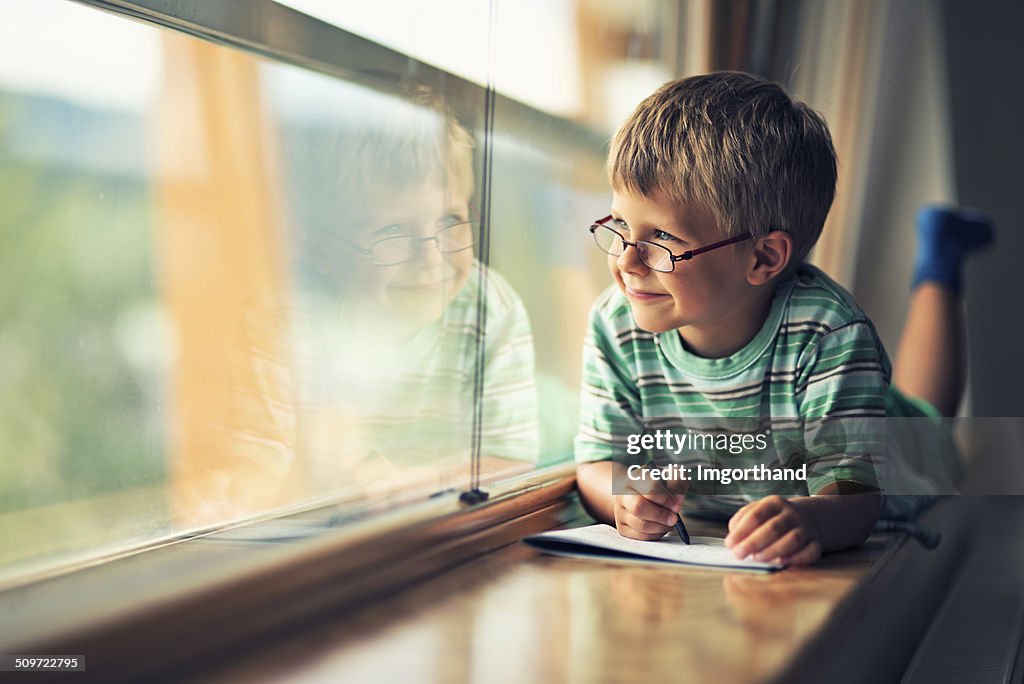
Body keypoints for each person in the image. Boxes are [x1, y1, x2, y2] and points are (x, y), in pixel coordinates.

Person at [573, 72, 992, 566]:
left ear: (763, 259)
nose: (626, 261)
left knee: (930, 418)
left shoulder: (829, 332)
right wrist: (624, 494)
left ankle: (940, 261)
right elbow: (598, 463)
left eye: (661, 238)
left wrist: (812, 517)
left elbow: (854, 497)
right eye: (620, 223)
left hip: (896, 451)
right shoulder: (614, 323)